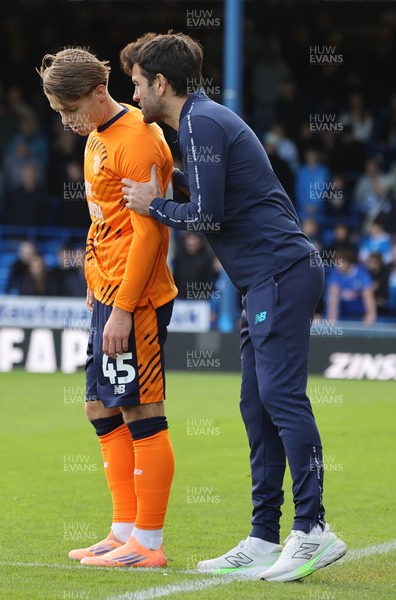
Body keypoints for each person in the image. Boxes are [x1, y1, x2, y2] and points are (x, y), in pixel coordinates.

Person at [121, 32, 346, 582]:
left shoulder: (200, 123)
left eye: (136, 84)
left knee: (281, 398)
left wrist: (157, 205)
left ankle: (314, 529)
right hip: (265, 281)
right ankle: (264, 536)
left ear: (160, 83)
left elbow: (206, 215)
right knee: (257, 403)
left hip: (280, 273)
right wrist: (173, 186)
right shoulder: (200, 122)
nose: (133, 96)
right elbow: (215, 197)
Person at [38, 46, 177, 568]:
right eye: (59, 113)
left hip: (134, 300)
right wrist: (94, 282)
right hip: (108, 291)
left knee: (141, 407)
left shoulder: (138, 139)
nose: (68, 121)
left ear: (101, 91)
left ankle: (149, 543)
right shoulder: (97, 137)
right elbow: (105, 222)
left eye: (72, 108)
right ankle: (123, 530)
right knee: (100, 405)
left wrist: (121, 307)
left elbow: (148, 234)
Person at [327, 248, 377, 324]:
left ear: (348, 262)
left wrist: (369, 320)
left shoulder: (362, 274)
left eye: (340, 262)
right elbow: (333, 304)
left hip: (359, 316)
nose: (337, 266)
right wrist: (333, 324)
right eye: (335, 263)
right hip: (343, 316)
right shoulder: (335, 274)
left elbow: (369, 303)